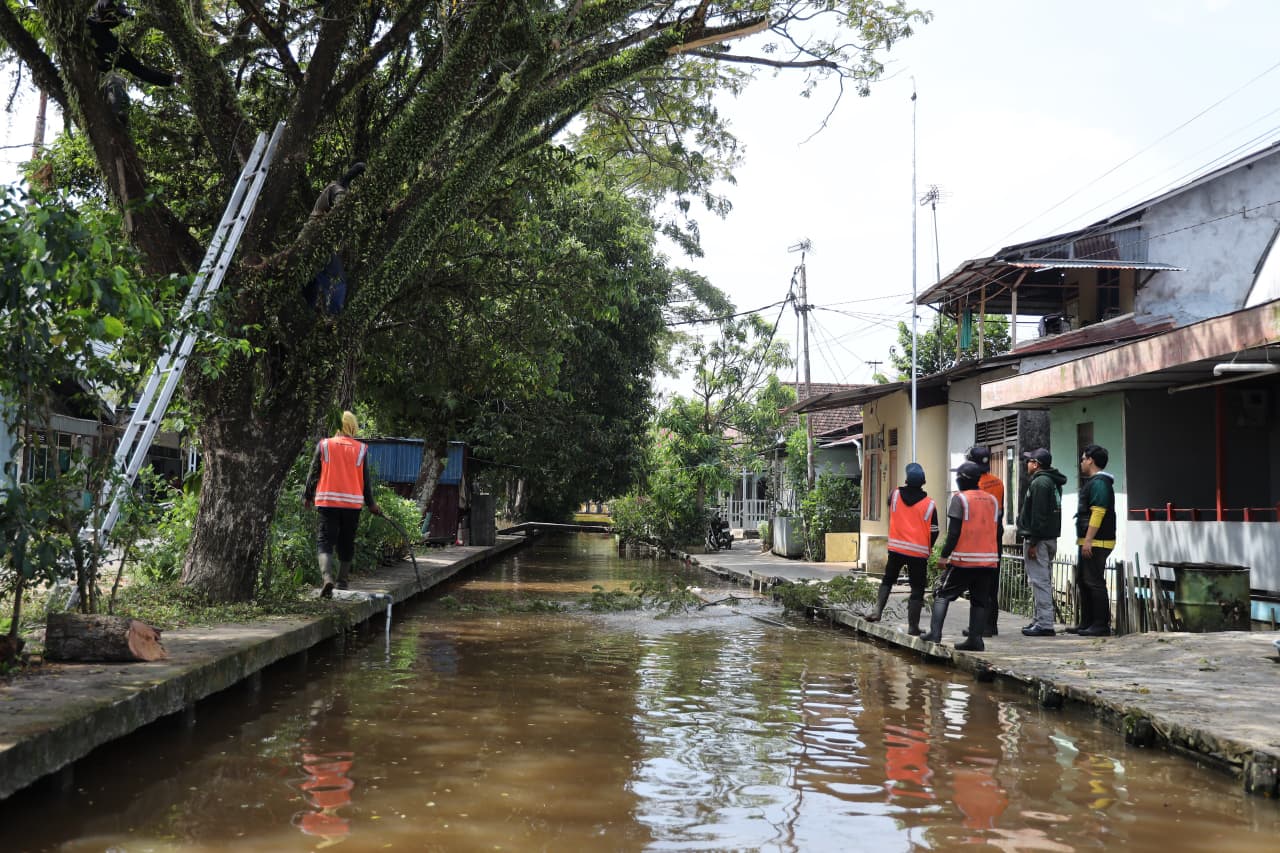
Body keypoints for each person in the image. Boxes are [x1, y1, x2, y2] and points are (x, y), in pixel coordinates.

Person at [921, 461, 1000, 651]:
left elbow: (954, 532)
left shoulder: (960, 499)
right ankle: (975, 639)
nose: (956, 479)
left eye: (958, 476)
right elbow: (997, 530)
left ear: (962, 480)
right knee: (980, 600)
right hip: (988, 561)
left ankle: (935, 634)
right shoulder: (992, 500)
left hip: (964, 560)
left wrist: (943, 556)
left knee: (942, 594)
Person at [303, 411, 383, 597]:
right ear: (353, 426)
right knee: (346, 542)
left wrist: (307, 496)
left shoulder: (324, 445)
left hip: (327, 502)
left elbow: (313, 472)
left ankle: (327, 578)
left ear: (337, 425)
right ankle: (342, 581)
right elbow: (366, 481)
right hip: (352, 505)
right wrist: (371, 504)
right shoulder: (361, 449)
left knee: (325, 541)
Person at [867, 462, 938, 635]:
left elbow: (888, 502)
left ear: (906, 479)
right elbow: (935, 531)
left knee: (888, 580)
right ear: (923, 482)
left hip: (896, 549)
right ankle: (913, 627)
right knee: (917, 589)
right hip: (918, 553)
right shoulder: (930, 504)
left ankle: (877, 612)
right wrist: (928, 548)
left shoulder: (895, 495)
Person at [88, 1, 180, 125]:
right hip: (85, 76)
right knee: (114, 81)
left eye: (121, 18)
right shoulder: (84, 24)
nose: (119, 21)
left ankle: (117, 120)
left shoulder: (117, 47)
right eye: (117, 16)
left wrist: (172, 79)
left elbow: (140, 70)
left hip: (100, 83)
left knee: (117, 85)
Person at [1016, 448, 1067, 637]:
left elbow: (1038, 515)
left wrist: (1034, 541)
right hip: (1049, 537)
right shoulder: (1052, 481)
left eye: (1029, 461)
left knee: (1040, 581)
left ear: (1036, 464)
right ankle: (1039, 620)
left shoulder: (1039, 483)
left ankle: (1045, 623)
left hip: (1039, 539)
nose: (1027, 464)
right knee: (1041, 580)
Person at [961, 446, 1005, 639]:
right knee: (992, 583)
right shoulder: (999, 482)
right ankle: (991, 625)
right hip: (995, 536)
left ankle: (977, 627)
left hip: (977, 537)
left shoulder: (972, 482)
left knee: (977, 585)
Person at [1073, 444, 1116, 636]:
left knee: (1094, 581)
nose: (1081, 462)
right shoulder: (1093, 482)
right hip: (1089, 540)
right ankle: (1086, 622)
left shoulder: (1099, 483)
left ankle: (1100, 624)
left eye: (1083, 459)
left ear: (1090, 460)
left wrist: (1089, 540)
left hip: (1097, 541)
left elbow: (1098, 513)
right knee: (1084, 580)